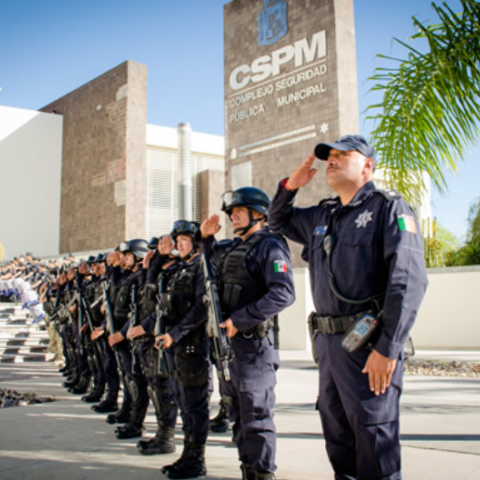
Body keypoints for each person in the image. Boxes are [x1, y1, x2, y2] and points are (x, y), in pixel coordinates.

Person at [268, 135, 428, 480]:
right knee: (338, 436)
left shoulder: (389, 208)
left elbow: (409, 281)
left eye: (343, 155)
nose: (332, 161)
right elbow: (277, 222)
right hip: (330, 347)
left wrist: (388, 348)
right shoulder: (323, 214)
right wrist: (290, 186)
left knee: (373, 438)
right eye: (330, 157)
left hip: (369, 345)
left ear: (367, 166)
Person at [199, 187, 295, 480]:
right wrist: (205, 238)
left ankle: (263, 473)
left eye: (239, 210)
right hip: (228, 348)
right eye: (231, 212)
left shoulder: (271, 246)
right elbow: (208, 261)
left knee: (256, 416)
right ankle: (248, 470)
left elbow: (283, 294)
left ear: (259, 214)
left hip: (254, 349)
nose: (233, 216)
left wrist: (240, 320)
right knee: (235, 412)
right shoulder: (229, 247)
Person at [155, 221, 211, 479]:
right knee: (183, 402)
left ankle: (196, 459)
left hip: (193, 347)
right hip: (175, 347)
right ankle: (187, 455)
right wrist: (160, 257)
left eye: (184, 240)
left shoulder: (202, 266)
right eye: (177, 240)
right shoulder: (179, 269)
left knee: (194, 405)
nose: (178, 244)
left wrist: (174, 334)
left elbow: (202, 308)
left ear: (197, 242)